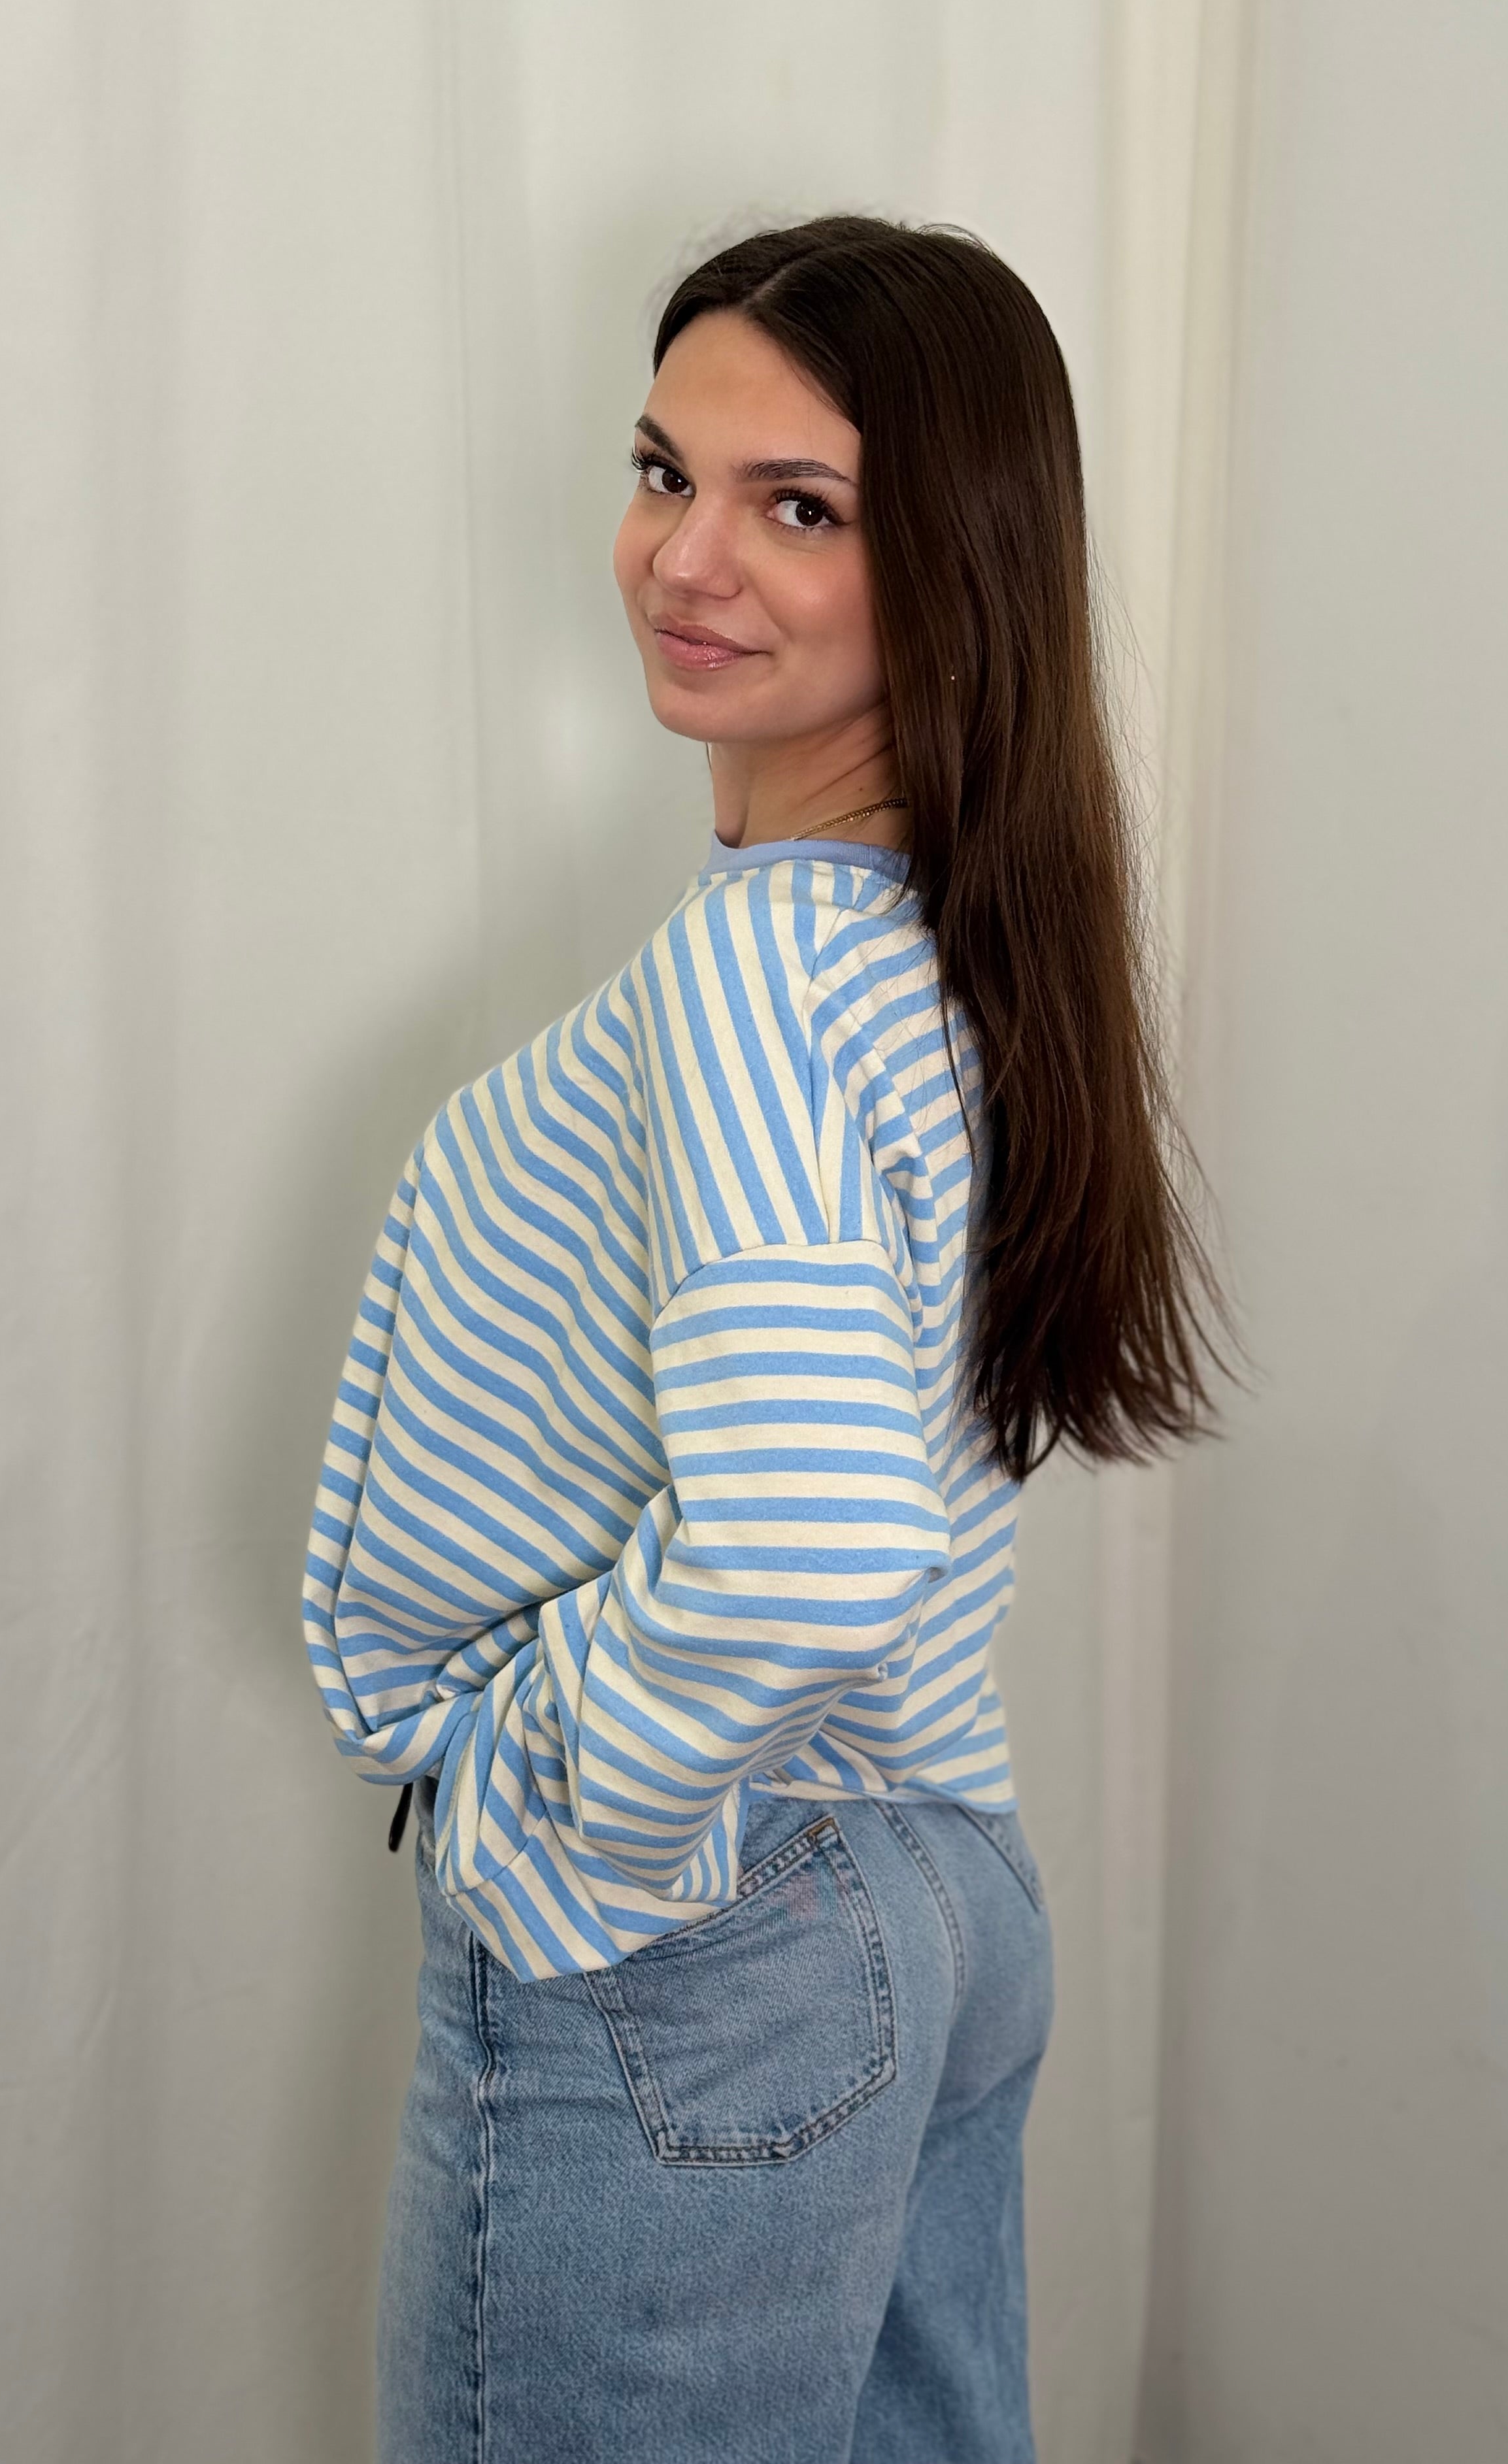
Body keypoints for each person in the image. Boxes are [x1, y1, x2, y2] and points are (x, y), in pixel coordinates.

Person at [301, 214, 1230, 2464]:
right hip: (929, 1889)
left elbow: (814, 1544)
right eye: (664, 471)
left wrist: (551, 1827)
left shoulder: (759, 971)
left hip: (718, 1940)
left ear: (958, 568)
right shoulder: (957, 960)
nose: (683, 558)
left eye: (796, 506)